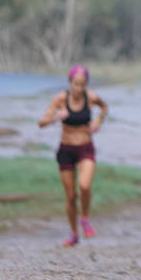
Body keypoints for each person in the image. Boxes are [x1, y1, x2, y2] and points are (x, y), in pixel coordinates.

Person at [38, 65, 108, 247]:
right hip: (66, 150)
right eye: (76, 84)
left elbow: (104, 107)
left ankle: (84, 217)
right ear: (70, 83)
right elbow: (41, 122)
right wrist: (56, 117)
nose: (78, 89)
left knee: (84, 186)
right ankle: (74, 233)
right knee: (70, 196)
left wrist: (98, 120)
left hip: (85, 147)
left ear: (86, 84)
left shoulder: (91, 97)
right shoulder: (60, 98)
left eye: (82, 85)